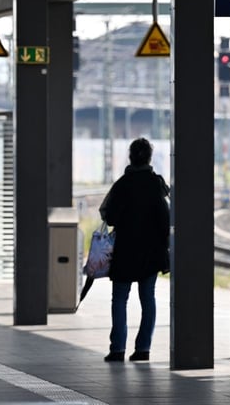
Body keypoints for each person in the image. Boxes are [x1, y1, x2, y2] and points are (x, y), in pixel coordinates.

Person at [99, 137, 170, 363]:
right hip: (150, 253)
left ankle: (118, 349)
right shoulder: (157, 184)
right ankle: (143, 349)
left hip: (125, 251)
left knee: (120, 299)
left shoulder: (122, 184)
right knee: (147, 299)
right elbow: (165, 219)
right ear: (150, 158)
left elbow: (109, 217)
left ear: (130, 157)